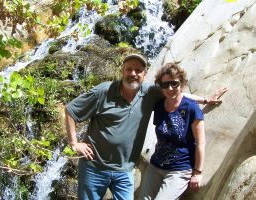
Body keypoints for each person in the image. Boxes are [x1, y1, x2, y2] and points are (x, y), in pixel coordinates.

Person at [65, 54, 226, 200]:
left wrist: (205, 100)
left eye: (138, 70)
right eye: (129, 69)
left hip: (124, 170)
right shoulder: (103, 91)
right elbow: (71, 110)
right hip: (95, 167)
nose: (133, 73)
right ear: (122, 70)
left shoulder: (149, 92)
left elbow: (176, 94)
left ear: (145, 73)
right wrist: (74, 143)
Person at [140, 63, 206, 200]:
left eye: (174, 84)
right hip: (156, 165)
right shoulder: (159, 106)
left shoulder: (191, 109)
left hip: (180, 169)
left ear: (182, 83)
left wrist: (198, 172)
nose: (170, 88)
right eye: (165, 85)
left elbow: (201, 143)